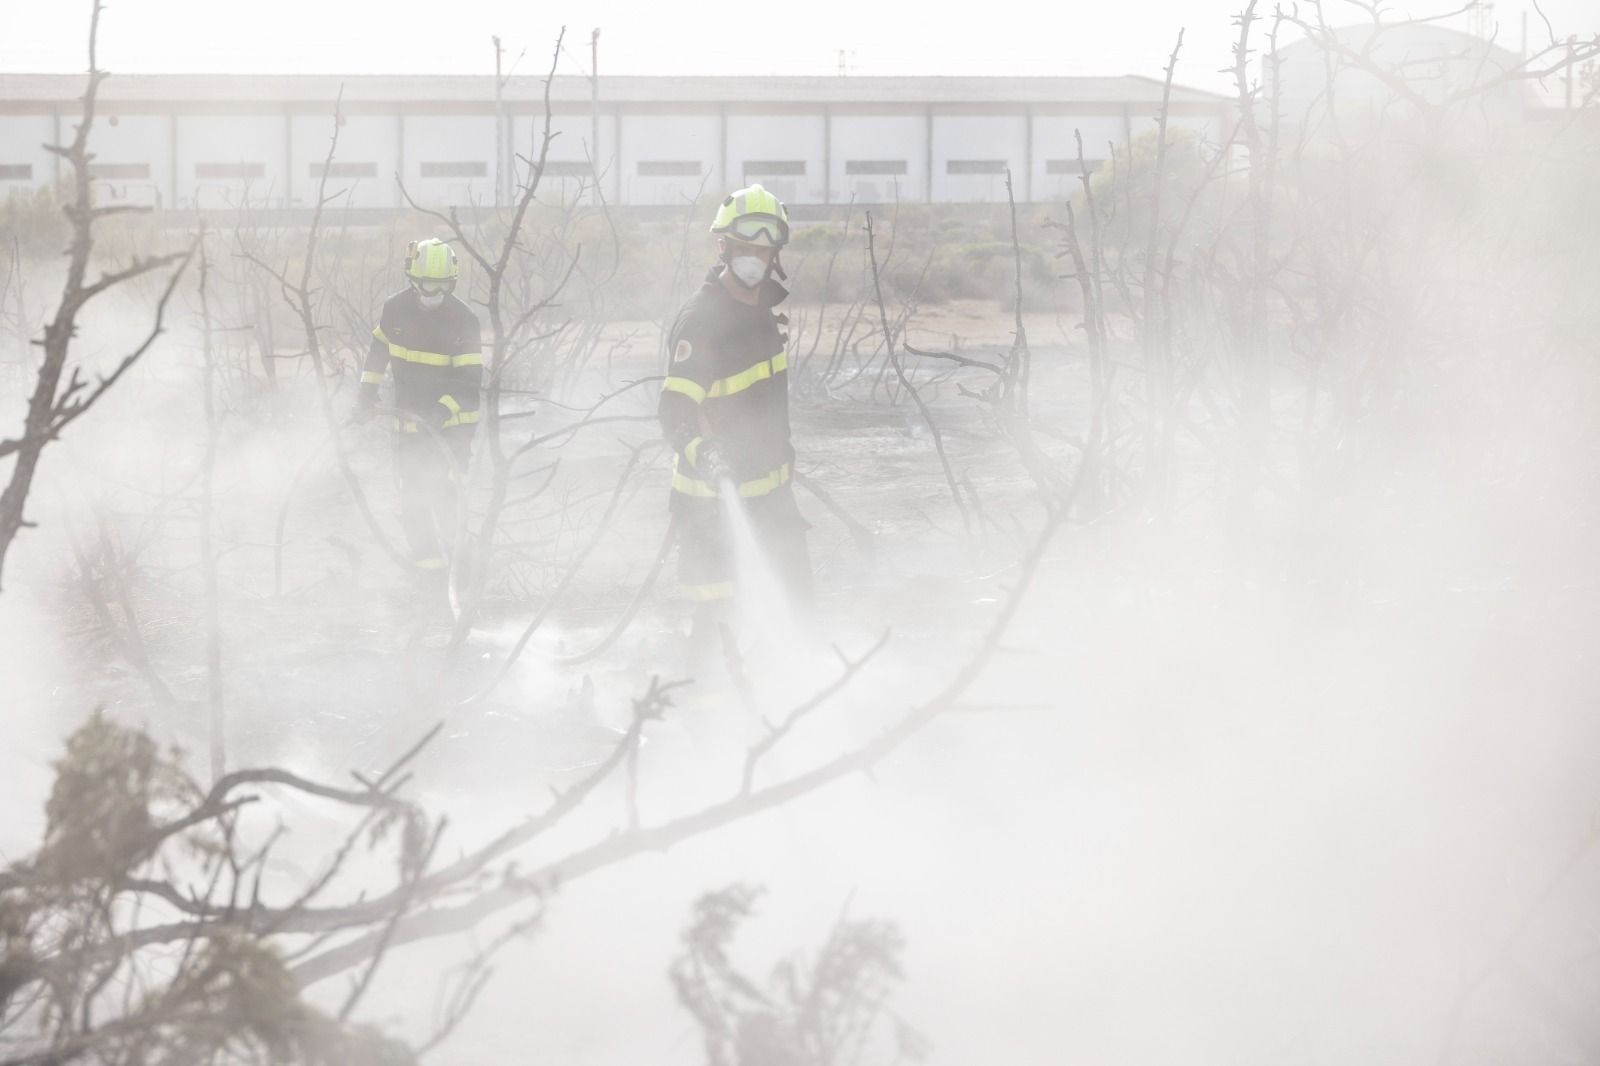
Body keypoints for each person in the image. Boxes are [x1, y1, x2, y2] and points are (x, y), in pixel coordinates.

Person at [657, 184, 812, 674]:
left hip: (773, 501)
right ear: (724, 247)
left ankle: (786, 705)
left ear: (775, 254)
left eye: (764, 251)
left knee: (796, 610)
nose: (755, 259)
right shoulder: (701, 319)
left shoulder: (762, 312)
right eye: (745, 248)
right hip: (711, 506)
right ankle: (702, 713)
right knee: (715, 624)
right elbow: (675, 409)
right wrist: (704, 452)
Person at [351, 237, 483, 611]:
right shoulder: (394, 310)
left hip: (452, 430)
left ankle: (466, 574)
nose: (435, 294)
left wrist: (441, 413)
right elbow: (378, 351)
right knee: (412, 506)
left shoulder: (463, 320)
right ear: (413, 279)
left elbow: (470, 384)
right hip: (408, 429)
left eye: (443, 286)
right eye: (428, 285)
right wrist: (366, 396)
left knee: (443, 499)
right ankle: (433, 584)